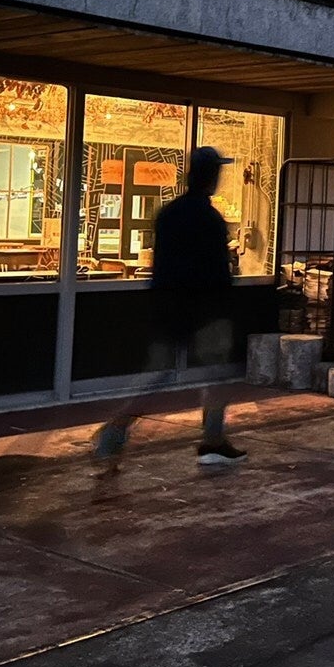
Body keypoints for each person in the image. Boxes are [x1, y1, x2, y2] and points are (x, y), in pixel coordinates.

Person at [92, 145, 247, 471]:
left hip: (168, 305)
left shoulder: (168, 214)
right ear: (212, 177)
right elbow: (218, 272)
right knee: (215, 374)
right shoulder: (211, 220)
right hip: (206, 309)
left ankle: (115, 429)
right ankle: (213, 441)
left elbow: (160, 264)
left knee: (156, 374)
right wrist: (225, 306)